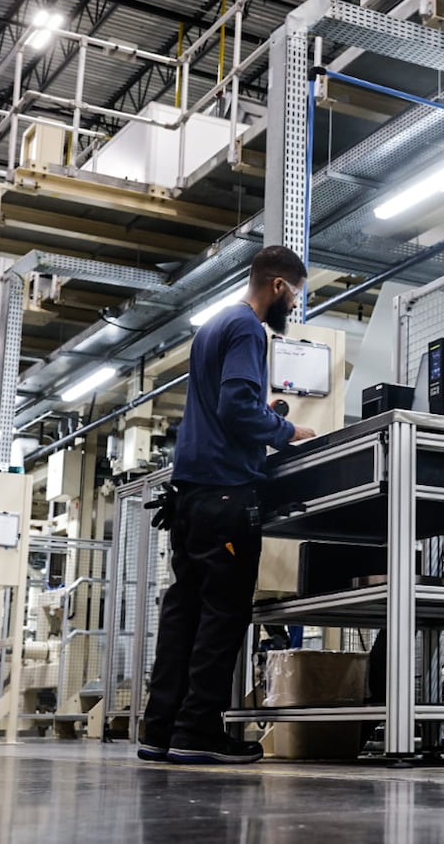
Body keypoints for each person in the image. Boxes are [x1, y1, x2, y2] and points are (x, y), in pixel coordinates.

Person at [139, 246, 314, 764]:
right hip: (225, 495)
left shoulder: (213, 325)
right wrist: (285, 431)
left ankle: (160, 729)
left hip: (191, 495)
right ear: (278, 286)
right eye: (296, 295)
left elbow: (224, 403)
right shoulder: (246, 328)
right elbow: (235, 405)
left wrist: (261, 414)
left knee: (183, 614)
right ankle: (197, 732)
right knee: (222, 615)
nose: (294, 308)